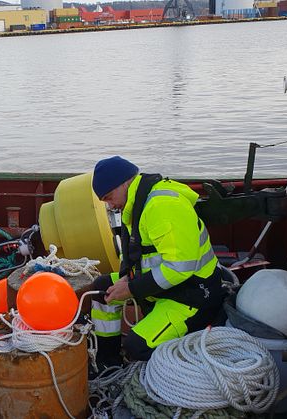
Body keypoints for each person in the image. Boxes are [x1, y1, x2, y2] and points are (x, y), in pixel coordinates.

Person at [89, 156, 225, 368]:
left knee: (137, 346)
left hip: (191, 296)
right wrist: (126, 279)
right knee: (102, 289)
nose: (110, 205)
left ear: (125, 182)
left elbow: (180, 267)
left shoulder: (163, 206)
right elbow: (138, 254)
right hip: (164, 287)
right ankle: (108, 363)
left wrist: (132, 289)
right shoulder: (136, 204)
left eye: (109, 197)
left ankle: (168, 371)